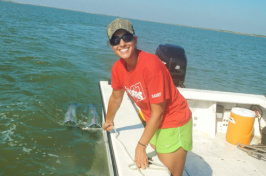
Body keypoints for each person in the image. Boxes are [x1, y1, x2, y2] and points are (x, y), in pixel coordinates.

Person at [103, 18, 192, 176]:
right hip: (154, 120)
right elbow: (116, 96)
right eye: (116, 40)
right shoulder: (118, 68)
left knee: (171, 173)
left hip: (173, 119)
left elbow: (158, 112)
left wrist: (141, 146)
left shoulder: (151, 65)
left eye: (127, 38)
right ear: (111, 45)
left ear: (135, 40)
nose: (122, 43)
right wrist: (109, 120)